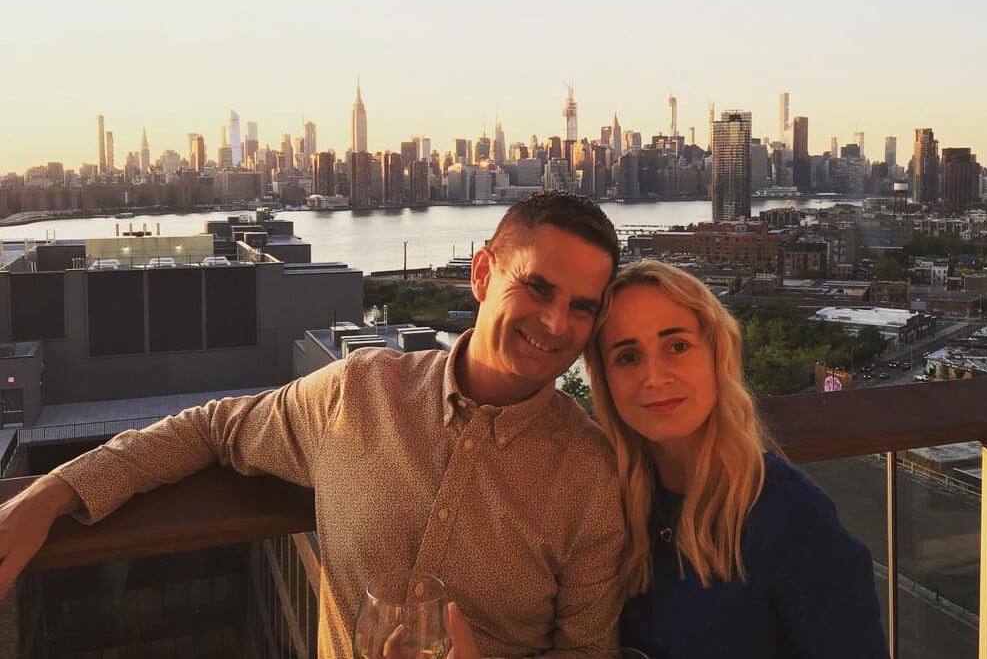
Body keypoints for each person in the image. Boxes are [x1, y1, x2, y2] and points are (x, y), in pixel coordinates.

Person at [0, 191, 627, 659]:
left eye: (581, 307)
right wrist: (53, 494)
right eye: (537, 288)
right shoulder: (360, 392)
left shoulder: (590, 475)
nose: (555, 323)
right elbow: (212, 428)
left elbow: (588, 650)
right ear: (483, 273)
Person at [584, 260, 888, 658]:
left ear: (717, 354)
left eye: (677, 346)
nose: (654, 377)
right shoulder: (605, 505)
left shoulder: (789, 518)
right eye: (627, 357)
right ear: (605, 380)